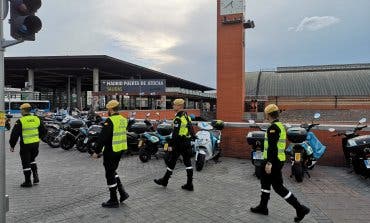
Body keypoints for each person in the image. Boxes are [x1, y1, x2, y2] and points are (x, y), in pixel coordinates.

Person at [250, 104, 310, 222]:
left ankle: (300, 208)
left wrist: (269, 163)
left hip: (273, 161)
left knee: (278, 187)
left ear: (268, 114)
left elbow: (272, 147)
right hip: (276, 160)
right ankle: (263, 207)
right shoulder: (279, 126)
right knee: (265, 184)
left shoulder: (273, 128)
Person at [92, 100, 129, 208]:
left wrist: (96, 151)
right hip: (120, 149)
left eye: (108, 108)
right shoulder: (123, 119)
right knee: (113, 170)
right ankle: (122, 193)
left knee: (109, 174)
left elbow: (103, 138)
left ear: (111, 109)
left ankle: (113, 199)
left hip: (111, 150)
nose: (107, 110)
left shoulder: (110, 121)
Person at [154, 98, 195, 191]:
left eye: (174, 105)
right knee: (187, 162)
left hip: (179, 143)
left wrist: (171, 145)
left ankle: (165, 180)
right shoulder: (186, 116)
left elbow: (175, 134)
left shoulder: (178, 118)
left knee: (172, 161)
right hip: (187, 142)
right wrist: (193, 137)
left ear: (179, 106)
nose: (173, 106)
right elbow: (191, 129)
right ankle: (189, 184)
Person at [9, 103, 46, 187]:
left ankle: (28, 181)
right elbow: (44, 131)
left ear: (23, 110)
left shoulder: (20, 121)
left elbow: (14, 135)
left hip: (25, 145)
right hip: (35, 144)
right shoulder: (37, 119)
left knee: (26, 163)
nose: (20, 111)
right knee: (32, 159)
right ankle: (36, 177)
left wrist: (12, 145)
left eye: (20, 110)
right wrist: (38, 138)